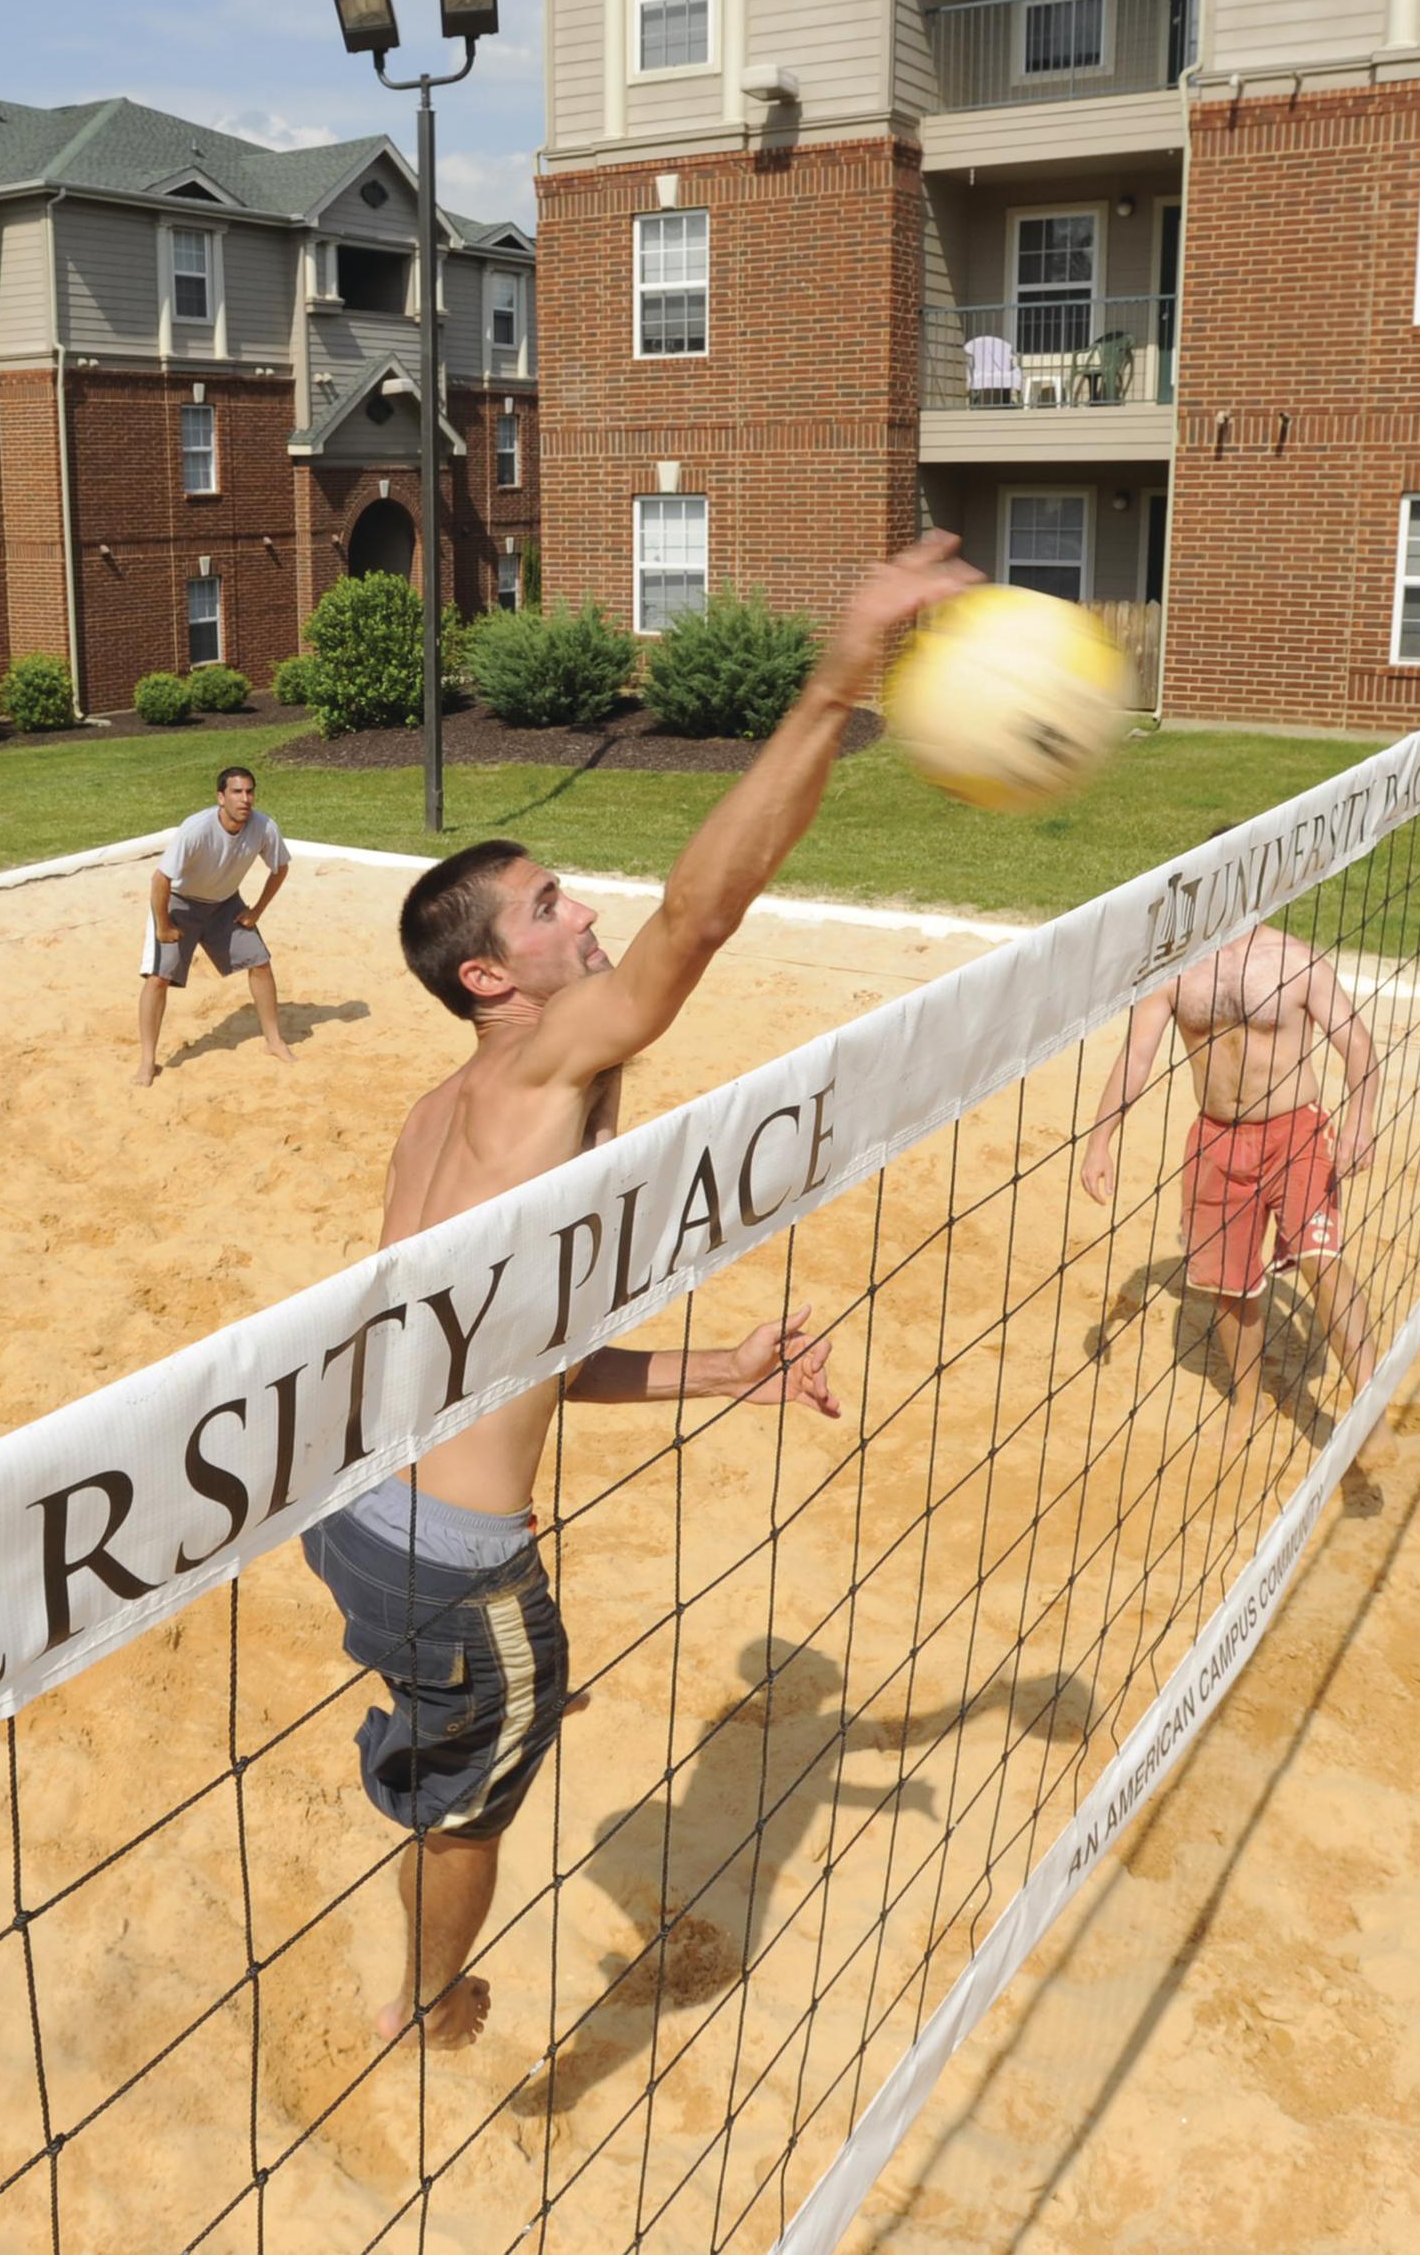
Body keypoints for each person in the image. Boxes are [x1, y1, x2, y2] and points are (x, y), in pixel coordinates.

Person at [304, 533, 977, 2051]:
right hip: (460, 1563)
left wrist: (719, 1367)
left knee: (460, 1698)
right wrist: (840, 675)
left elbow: (505, 1362)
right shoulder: (549, 1064)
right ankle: (429, 1994)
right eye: (546, 908)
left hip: (350, 1521)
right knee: (480, 1784)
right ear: (494, 981)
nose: (580, 913)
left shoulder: (434, 1119)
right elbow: (700, 918)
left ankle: (442, 1720)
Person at [1073, 922, 1383, 1451]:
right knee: (1227, 1284)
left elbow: (1357, 1045)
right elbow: (1136, 1057)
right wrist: (1100, 1140)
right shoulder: (1175, 969)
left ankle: (1371, 1407)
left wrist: (1360, 1121)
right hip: (1216, 1139)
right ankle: (1247, 1400)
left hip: (1297, 1132)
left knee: (1320, 1258)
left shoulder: (1292, 959)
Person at [138, 765, 293, 1086]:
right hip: (179, 901)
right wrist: (163, 926)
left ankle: (274, 1041)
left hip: (224, 904)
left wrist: (256, 911)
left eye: (250, 791)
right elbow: (160, 880)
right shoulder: (196, 829)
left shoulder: (264, 827)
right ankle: (147, 1062)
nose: (245, 799)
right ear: (221, 797)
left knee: (260, 962)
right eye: (237, 792)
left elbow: (280, 868)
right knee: (158, 978)